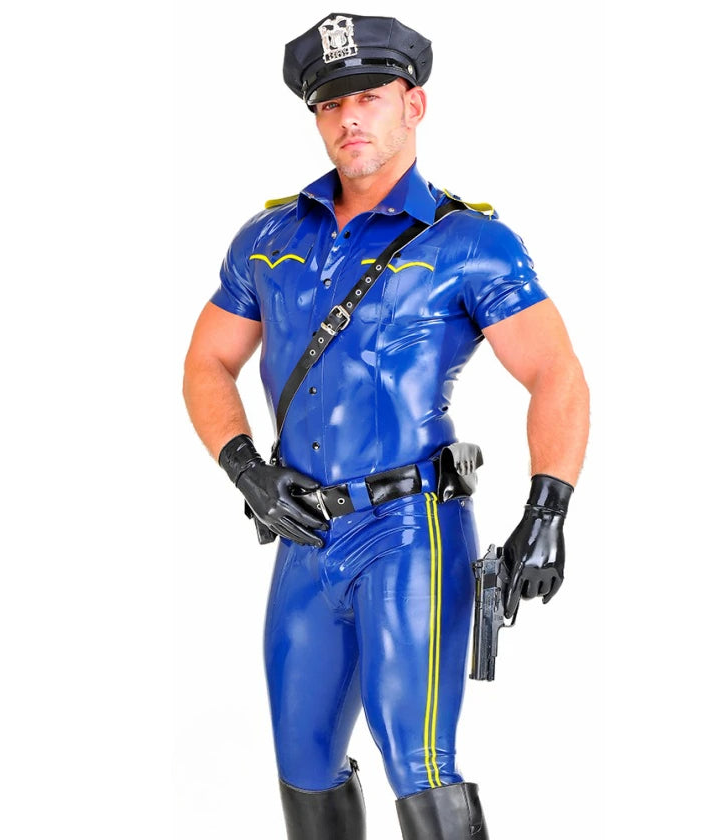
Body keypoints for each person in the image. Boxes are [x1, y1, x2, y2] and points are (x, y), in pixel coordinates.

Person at [183, 11, 589, 840]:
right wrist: (246, 469)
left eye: (369, 96)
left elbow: (556, 373)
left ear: (414, 104)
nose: (350, 119)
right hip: (304, 535)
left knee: (418, 759)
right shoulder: (269, 237)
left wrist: (548, 509)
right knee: (303, 760)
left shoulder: (470, 242)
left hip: (411, 532)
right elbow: (206, 362)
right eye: (331, 104)